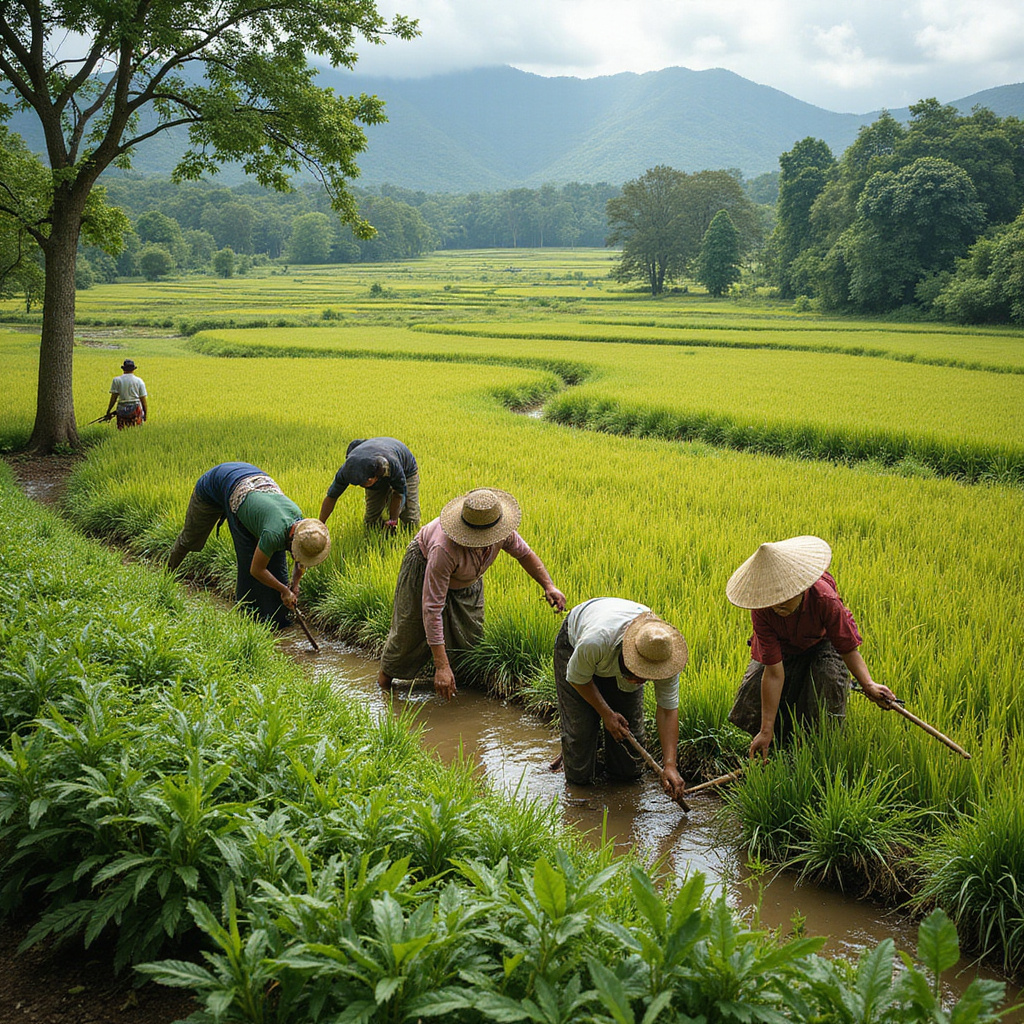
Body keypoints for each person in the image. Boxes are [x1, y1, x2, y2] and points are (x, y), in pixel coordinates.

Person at [377, 487, 565, 700]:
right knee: (409, 633)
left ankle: (462, 690)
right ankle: (383, 689)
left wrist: (548, 586)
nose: (485, 541)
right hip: (423, 567)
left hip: (467, 579)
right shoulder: (444, 549)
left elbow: (524, 554)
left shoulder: (499, 529)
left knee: (470, 637)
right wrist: (441, 666)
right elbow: (432, 609)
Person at [725, 535, 897, 761]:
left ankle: (811, 752)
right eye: (773, 600)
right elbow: (774, 673)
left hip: (823, 642)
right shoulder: (762, 609)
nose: (778, 605)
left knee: (827, 682)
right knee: (755, 683)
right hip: (784, 646)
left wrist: (868, 684)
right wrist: (765, 729)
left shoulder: (824, 598)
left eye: (785, 598)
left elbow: (846, 647)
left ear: (801, 586)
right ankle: (773, 744)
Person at [555, 598, 688, 800]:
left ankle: (610, 771)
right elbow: (577, 678)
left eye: (647, 677)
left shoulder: (662, 653)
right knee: (579, 744)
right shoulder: (595, 641)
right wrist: (607, 714)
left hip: (609, 652)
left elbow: (668, 710)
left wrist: (670, 765)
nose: (640, 681)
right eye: (636, 673)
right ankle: (580, 795)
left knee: (629, 765)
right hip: (577, 645)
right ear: (627, 655)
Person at [167, 462, 330, 626]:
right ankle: (166, 577)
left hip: (254, 489)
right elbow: (256, 569)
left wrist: (294, 586)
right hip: (220, 485)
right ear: (293, 539)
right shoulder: (274, 533)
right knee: (193, 541)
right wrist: (283, 590)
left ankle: (277, 621)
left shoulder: (301, 528)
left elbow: (299, 561)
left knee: (277, 570)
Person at [320, 438, 420, 532]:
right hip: (375, 458)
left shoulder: (392, 465)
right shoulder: (347, 470)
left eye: (364, 483)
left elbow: (399, 494)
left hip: (406, 471)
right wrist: (320, 525)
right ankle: (379, 534)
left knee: (410, 519)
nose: (361, 486)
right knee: (372, 522)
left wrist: (393, 521)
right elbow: (332, 496)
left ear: (374, 477)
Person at [105, 358, 148, 429]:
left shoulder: (117, 380)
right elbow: (143, 400)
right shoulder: (139, 381)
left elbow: (113, 398)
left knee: (122, 429)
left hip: (121, 408)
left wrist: (108, 411)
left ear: (123, 369)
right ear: (133, 369)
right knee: (136, 430)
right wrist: (145, 414)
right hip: (135, 409)